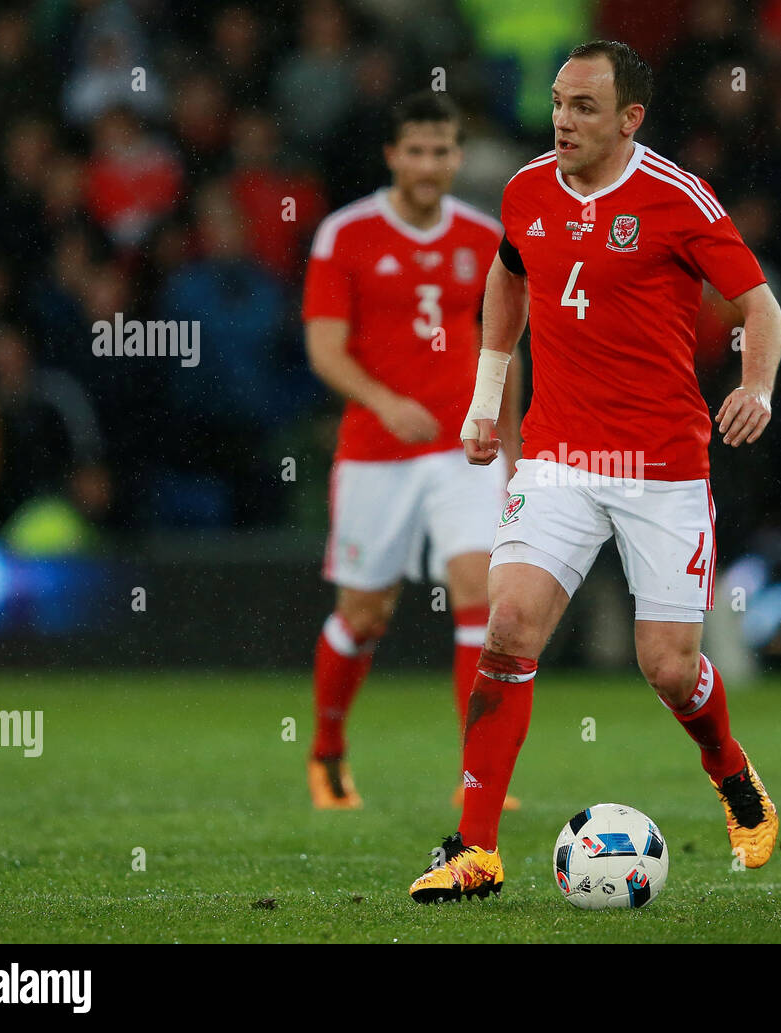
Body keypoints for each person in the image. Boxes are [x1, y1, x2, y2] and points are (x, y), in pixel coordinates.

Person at [410, 40, 781, 902]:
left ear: (630, 118)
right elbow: (508, 281)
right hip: (557, 457)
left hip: (660, 464)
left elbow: (758, 305)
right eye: (557, 102)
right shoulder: (526, 189)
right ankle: (475, 849)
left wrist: (756, 386)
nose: (563, 120)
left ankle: (730, 771)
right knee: (507, 627)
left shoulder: (675, 197)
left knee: (666, 665)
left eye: (584, 107)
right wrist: (485, 397)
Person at [302, 91, 520, 810]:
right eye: (416, 151)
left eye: (442, 151)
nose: (429, 164)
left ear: (458, 157)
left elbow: (502, 347)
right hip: (374, 450)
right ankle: (328, 748)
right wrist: (383, 400)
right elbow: (324, 347)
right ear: (393, 156)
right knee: (365, 613)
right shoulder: (346, 233)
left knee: (480, 599)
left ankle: (476, 776)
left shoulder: (486, 236)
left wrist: (511, 446)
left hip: (465, 450)